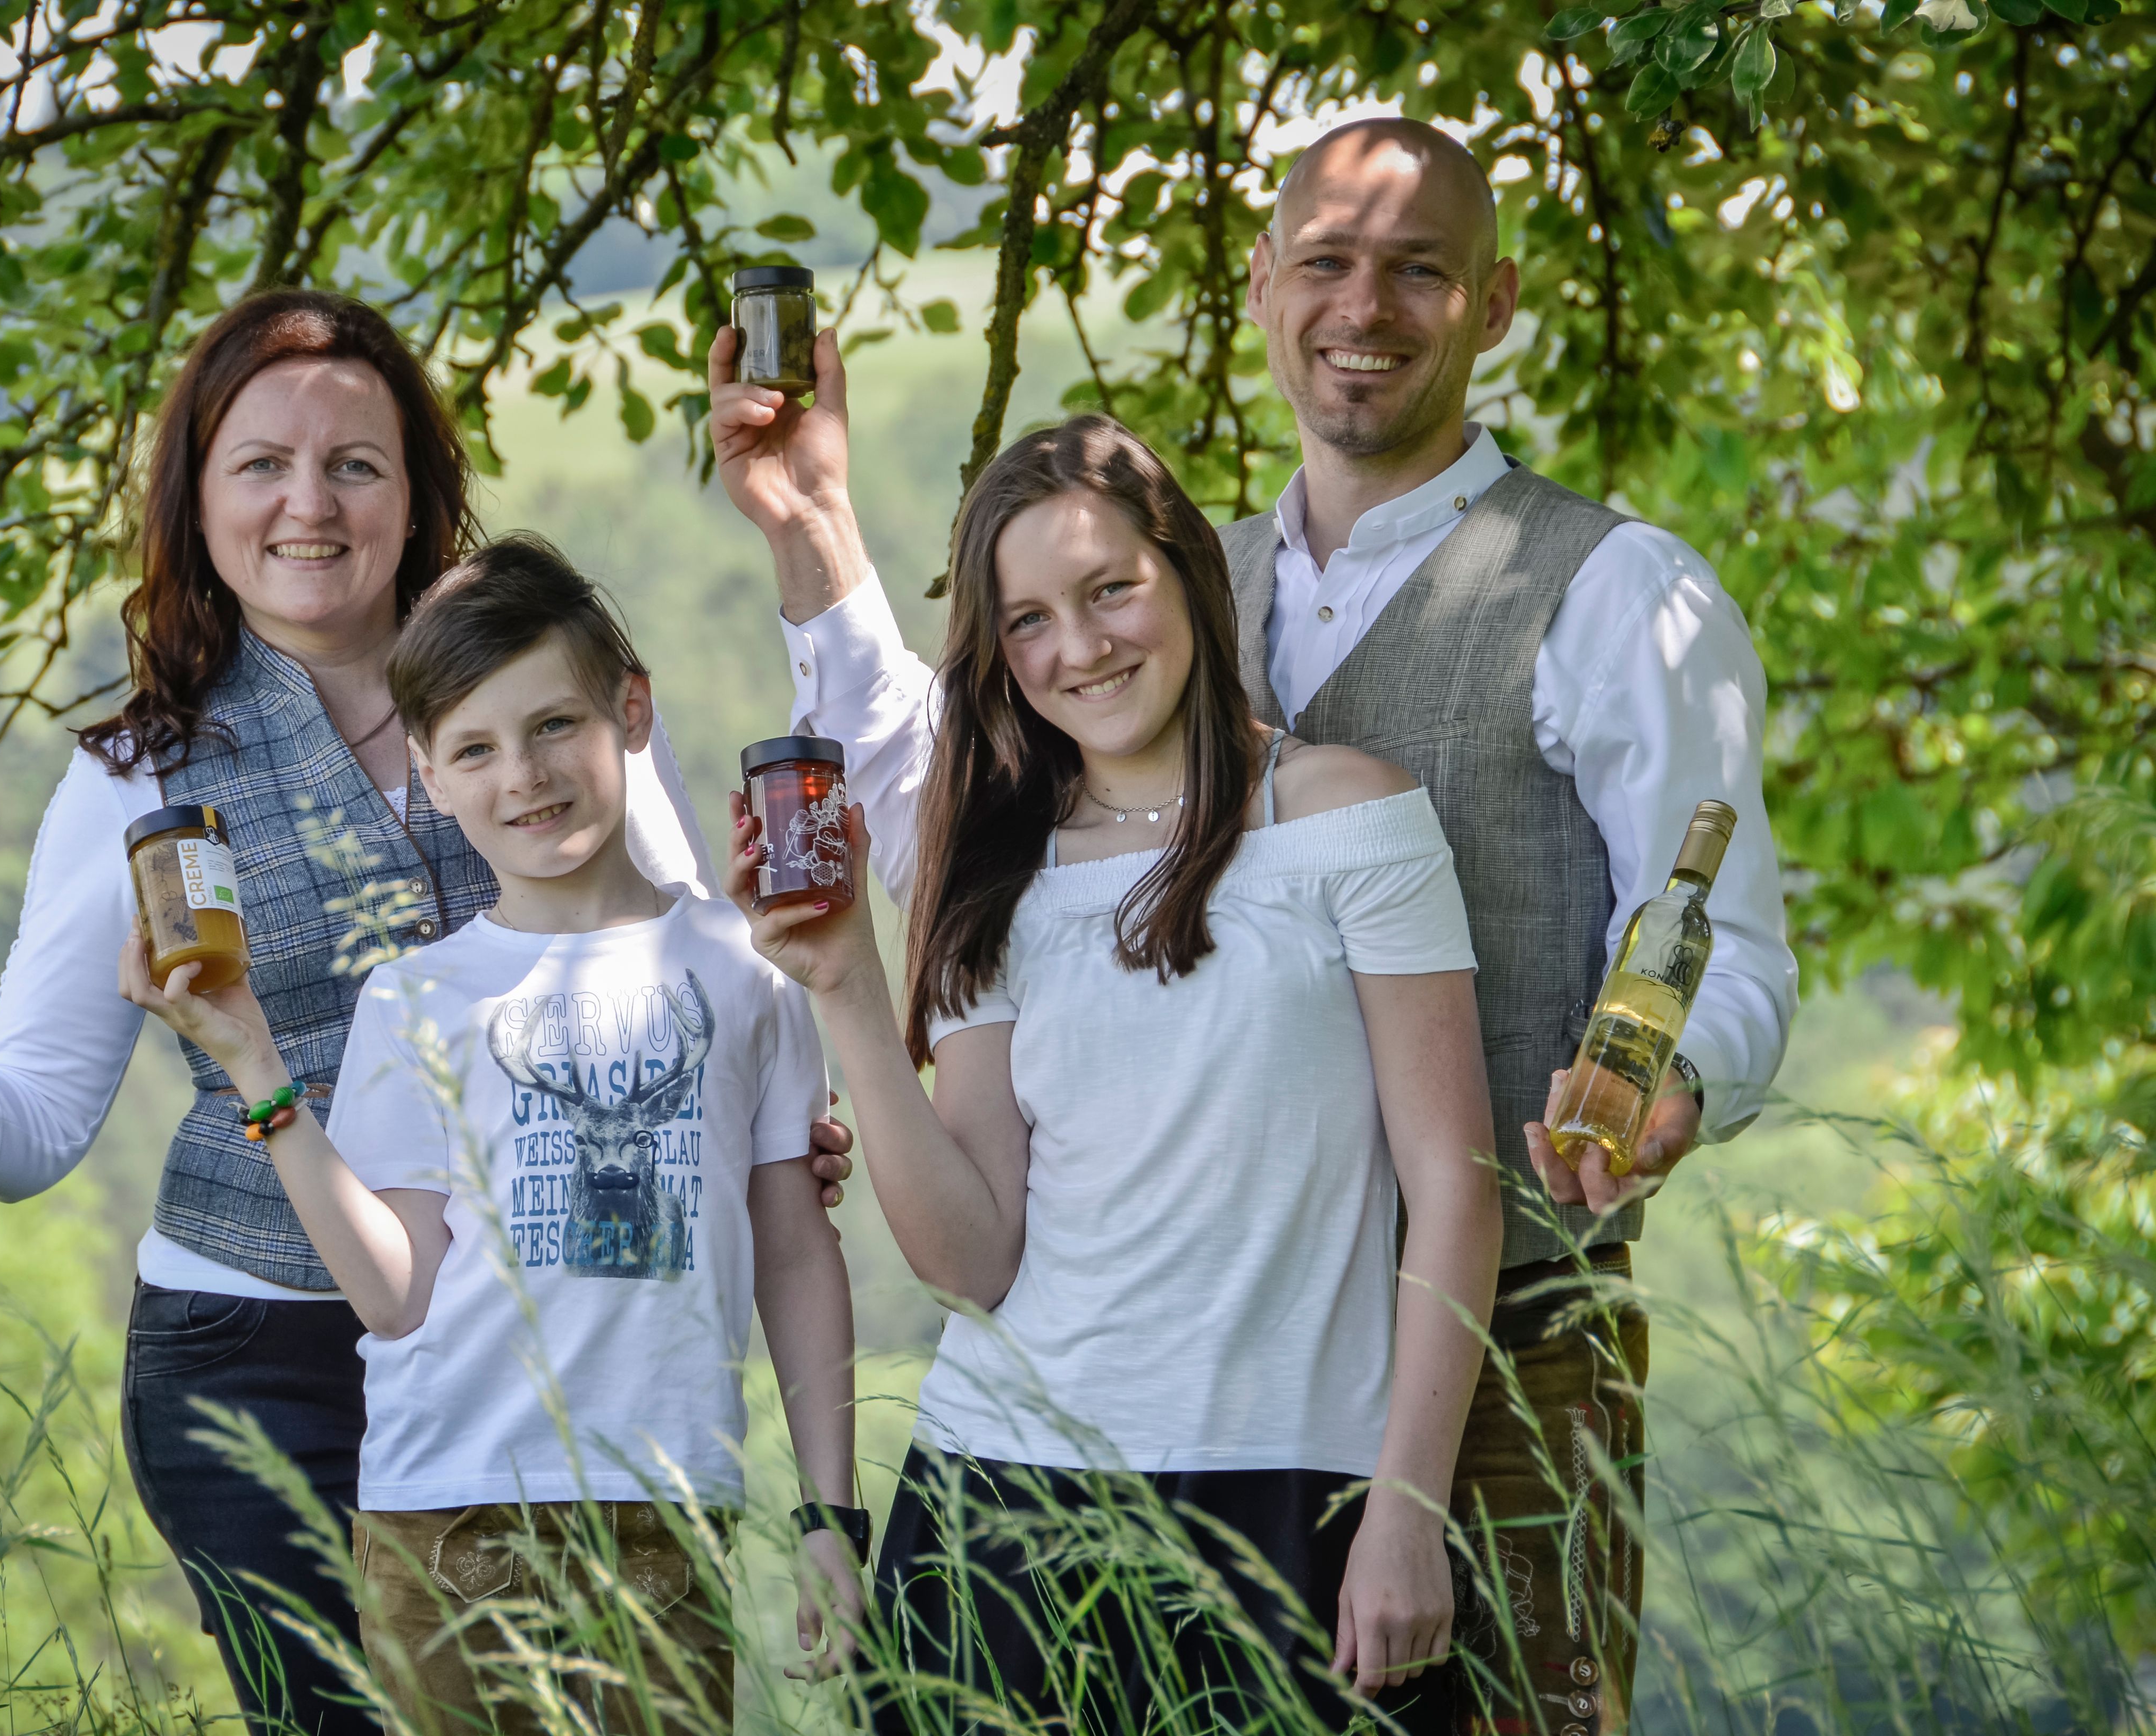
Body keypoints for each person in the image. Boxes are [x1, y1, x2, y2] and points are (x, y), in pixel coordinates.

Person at [710, 120, 1799, 1734]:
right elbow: (988, 823)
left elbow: (1732, 943)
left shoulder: (1617, 589)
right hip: (1128, 1390)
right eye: (1331, 263)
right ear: (1264, 289)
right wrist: (813, 536)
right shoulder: (1169, 579)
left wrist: (1670, 1089)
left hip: (1497, 1348)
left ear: (1492, 303)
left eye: (1419, 269)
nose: (1368, 305)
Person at [0, 289, 855, 1736]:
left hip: (535, 1359)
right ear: (199, 499)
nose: (310, 502)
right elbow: (31, 1128)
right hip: (260, 1372)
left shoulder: (531, 696)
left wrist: (766, 1135)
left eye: (355, 463)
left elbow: (670, 973)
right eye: (262, 466)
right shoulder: (138, 776)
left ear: (417, 494)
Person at [725, 414, 1500, 1732]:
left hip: (1291, 1504)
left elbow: (1455, 1185)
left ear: (1187, 572)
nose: (1076, 649)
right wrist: (851, 982)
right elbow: (973, 1260)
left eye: (1108, 591)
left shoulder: (1348, 815)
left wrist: (1406, 1510)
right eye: (1027, 621)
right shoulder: (993, 871)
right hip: (1001, 1508)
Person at [122, 536, 864, 1732]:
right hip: (448, 1519)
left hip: (668, 1514)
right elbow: (396, 1295)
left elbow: (793, 1252)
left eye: (554, 726)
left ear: (631, 708)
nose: (523, 776)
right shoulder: (416, 1002)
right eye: (474, 749)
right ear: (428, 770)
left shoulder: (747, 971)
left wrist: (832, 1518)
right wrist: (256, 1070)